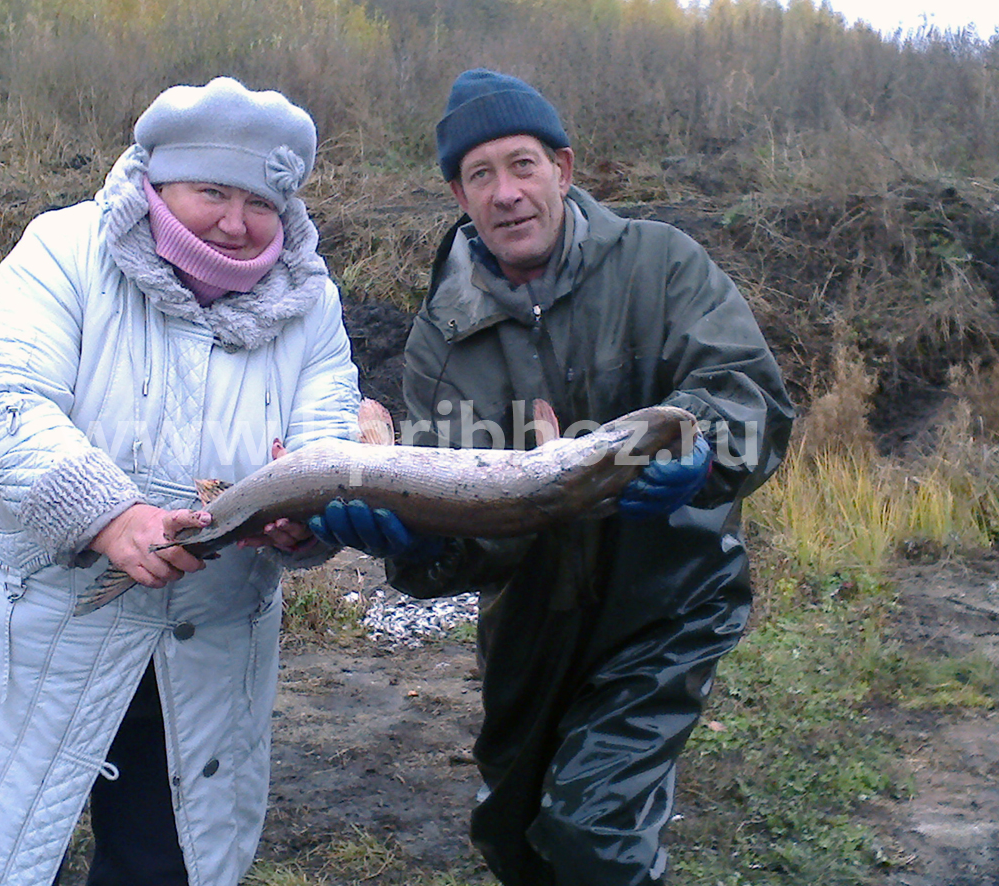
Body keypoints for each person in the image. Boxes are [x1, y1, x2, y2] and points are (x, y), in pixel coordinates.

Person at [0, 76, 361, 886]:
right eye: (211, 191)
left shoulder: (311, 305)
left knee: (161, 864)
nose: (236, 224)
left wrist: (305, 520)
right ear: (157, 182)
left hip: (201, 651)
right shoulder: (63, 251)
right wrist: (108, 514)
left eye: (260, 204)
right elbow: (4, 398)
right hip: (30, 641)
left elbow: (324, 440)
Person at [308, 69, 794, 885]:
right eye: (479, 175)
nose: (505, 192)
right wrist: (416, 542)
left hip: (665, 601)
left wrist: (700, 449)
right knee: (515, 837)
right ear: (458, 196)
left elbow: (747, 393)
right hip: (527, 622)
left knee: (591, 833)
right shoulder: (441, 341)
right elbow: (465, 552)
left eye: (522, 164)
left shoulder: (661, 264)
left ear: (563, 170)